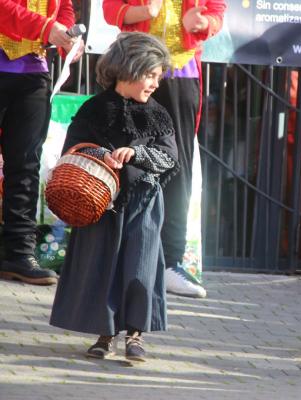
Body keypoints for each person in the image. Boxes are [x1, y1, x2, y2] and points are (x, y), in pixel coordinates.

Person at [50, 32, 178, 361]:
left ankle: (135, 335)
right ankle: (105, 333)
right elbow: (73, 149)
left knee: (141, 266)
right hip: (100, 203)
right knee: (102, 266)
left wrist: (135, 154)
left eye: (158, 76)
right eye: (150, 75)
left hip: (142, 201)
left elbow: (169, 157)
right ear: (129, 70)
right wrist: (102, 154)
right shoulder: (95, 109)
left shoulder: (158, 114)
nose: (154, 83)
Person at [103, 0, 226, 298]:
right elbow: (111, 9)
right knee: (125, 156)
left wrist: (203, 24)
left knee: (177, 165)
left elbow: (217, 11)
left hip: (182, 72)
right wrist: (146, 12)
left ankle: (170, 261)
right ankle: (117, 251)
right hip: (135, 71)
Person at [0, 0, 81, 285]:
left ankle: (19, 253)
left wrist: (69, 36)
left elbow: (63, 7)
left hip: (33, 71)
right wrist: (47, 28)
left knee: (25, 165)